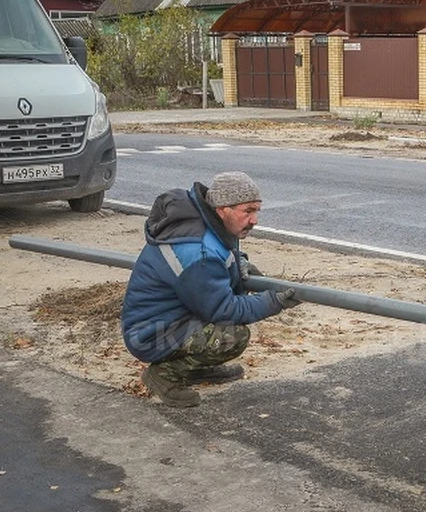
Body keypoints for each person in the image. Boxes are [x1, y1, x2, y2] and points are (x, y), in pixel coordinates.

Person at [121, 171, 301, 408]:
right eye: (248, 211)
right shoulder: (198, 251)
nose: (255, 220)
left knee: (223, 330)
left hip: (166, 319)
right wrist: (272, 302)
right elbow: (224, 310)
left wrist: (239, 263)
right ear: (222, 209)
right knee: (232, 336)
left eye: (257, 210)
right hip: (150, 335)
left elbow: (218, 261)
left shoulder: (205, 224)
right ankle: (164, 374)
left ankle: (194, 369)